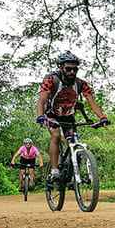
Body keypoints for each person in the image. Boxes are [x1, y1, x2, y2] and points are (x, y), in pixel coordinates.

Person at [35, 51, 110, 179]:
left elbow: (92, 103)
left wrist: (103, 118)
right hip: (52, 114)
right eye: (68, 69)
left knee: (74, 143)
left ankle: (70, 174)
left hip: (69, 117)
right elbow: (42, 100)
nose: (72, 72)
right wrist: (40, 116)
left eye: (75, 69)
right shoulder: (51, 80)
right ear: (61, 68)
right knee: (56, 135)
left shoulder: (81, 84)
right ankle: (54, 171)